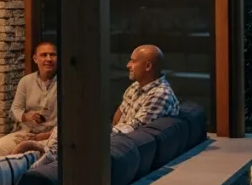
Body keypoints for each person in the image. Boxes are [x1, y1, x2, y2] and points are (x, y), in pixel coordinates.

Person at [18, 45, 181, 166]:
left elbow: (136, 130)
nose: (128, 65)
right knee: (68, 129)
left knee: (71, 129)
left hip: (127, 147)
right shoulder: (136, 87)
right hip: (119, 136)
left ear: (148, 66)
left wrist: (97, 132)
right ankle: (44, 158)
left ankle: (43, 162)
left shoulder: (160, 95)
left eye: (133, 61)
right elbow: (118, 117)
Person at [0, 42, 59, 156]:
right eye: (44, 55)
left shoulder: (66, 82)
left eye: (52, 55)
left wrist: (45, 136)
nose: (48, 59)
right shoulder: (26, 81)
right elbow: (15, 109)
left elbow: (69, 121)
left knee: (34, 150)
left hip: (52, 136)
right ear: (35, 59)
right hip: (27, 132)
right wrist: (26, 116)